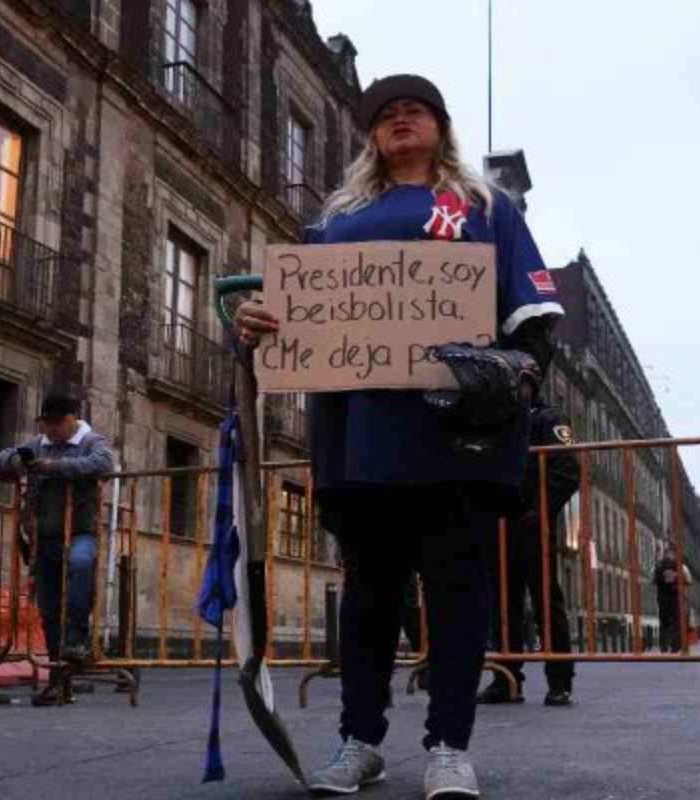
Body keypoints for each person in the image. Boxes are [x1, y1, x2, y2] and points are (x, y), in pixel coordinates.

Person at [235, 74, 563, 798]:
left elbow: (535, 321)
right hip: (359, 436)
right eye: (384, 114)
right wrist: (257, 321)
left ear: (440, 126)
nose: (399, 118)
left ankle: (449, 744)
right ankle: (360, 740)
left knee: (456, 589)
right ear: (371, 136)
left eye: (414, 109)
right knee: (370, 595)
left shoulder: (485, 209)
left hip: (459, 436)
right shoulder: (335, 221)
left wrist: (517, 377)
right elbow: (294, 317)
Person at [0, 394, 113, 666]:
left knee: (81, 566)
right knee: (48, 603)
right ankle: (59, 663)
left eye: (56, 423)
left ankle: (76, 638)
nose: (50, 429)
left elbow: (103, 464)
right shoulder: (38, 444)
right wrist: (19, 462)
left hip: (81, 529)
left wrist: (55, 468)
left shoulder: (92, 441)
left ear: (72, 419)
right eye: (46, 423)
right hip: (44, 534)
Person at [477, 400, 579, 707]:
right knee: (502, 602)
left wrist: (542, 507)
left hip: (533, 522)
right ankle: (506, 680)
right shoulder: (494, 418)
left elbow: (567, 466)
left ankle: (559, 681)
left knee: (546, 599)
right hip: (499, 522)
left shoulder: (548, 418)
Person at [652, 541, 691, 653]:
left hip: (662, 598)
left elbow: (652, 580)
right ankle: (675, 647)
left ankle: (663, 647)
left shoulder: (658, 565)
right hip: (676, 598)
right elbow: (689, 580)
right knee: (676, 623)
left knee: (663, 623)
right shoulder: (680, 566)